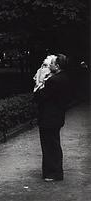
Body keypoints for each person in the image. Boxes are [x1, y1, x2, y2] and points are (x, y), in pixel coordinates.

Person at [34, 54, 71, 182]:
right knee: (54, 144)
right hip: (57, 116)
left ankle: (53, 173)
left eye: (52, 63)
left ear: (57, 66)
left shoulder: (53, 81)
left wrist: (39, 85)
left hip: (48, 118)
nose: (50, 65)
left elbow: (39, 97)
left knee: (49, 146)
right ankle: (54, 172)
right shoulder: (65, 78)